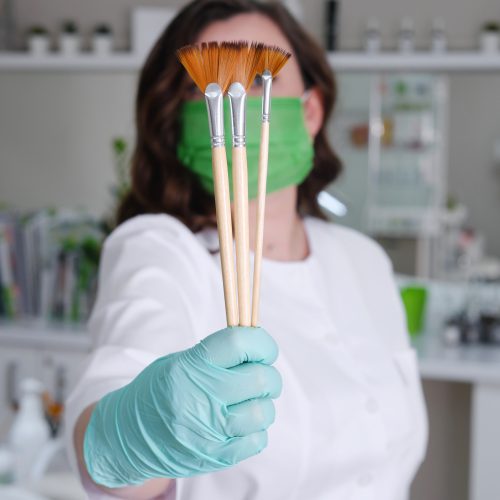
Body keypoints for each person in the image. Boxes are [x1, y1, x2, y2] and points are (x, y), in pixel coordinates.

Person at [66, 1, 428, 499]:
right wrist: (133, 435)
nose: (240, 94)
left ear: (311, 111)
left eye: (262, 80)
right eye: (211, 87)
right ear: (181, 123)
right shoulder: (160, 250)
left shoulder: (363, 258)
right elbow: (106, 445)